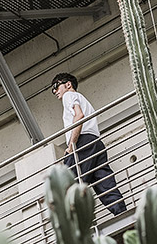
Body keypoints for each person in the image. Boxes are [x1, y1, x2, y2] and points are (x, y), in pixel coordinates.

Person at [51, 72, 127, 215]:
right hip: (95, 142)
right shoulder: (83, 99)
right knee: (104, 184)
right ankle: (122, 214)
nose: (55, 91)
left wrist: (71, 146)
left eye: (56, 86)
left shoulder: (68, 96)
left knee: (69, 184)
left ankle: (74, 224)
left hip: (82, 143)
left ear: (68, 84)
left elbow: (79, 115)